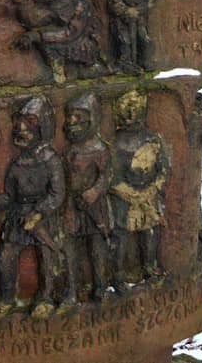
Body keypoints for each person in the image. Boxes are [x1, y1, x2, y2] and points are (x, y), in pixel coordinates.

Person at [0, 95, 66, 318]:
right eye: (18, 130)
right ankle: (6, 298)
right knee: (5, 257)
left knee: (47, 257)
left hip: (43, 216)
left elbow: (57, 194)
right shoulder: (17, 163)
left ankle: (45, 298)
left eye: (27, 131)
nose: (20, 134)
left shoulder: (50, 160)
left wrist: (39, 213)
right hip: (18, 216)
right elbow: (11, 196)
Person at [109, 91, 169, 291]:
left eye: (135, 106)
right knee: (120, 234)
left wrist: (152, 189)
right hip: (123, 198)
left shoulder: (152, 139)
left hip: (149, 195)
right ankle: (118, 275)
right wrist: (131, 195)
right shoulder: (115, 143)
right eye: (126, 106)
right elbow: (111, 177)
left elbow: (163, 169)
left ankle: (149, 267)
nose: (130, 112)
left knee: (149, 232)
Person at [61, 93, 113, 305]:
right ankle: (71, 289)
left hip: (95, 207)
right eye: (70, 117)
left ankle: (100, 286)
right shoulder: (69, 151)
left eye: (79, 118)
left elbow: (106, 176)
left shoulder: (100, 149)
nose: (73, 122)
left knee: (97, 248)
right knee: (70, 249)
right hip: (72, 207)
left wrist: (93, 192)